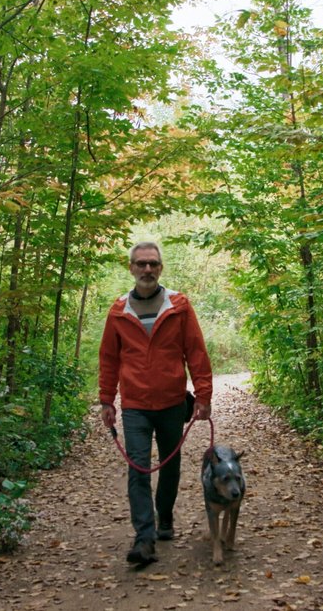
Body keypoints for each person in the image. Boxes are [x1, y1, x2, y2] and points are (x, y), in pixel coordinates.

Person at [98, 241, 213, 565]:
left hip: (173, 401)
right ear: (131, 268)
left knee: (170, 465)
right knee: (138, 467)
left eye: (152, 264)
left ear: (160, 268)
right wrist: (107, 399)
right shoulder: (118, 311)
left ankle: (165, 516)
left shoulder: (179, 305)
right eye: (140, 264)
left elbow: (196, 352)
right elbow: (108, 358)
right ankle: (144, 537)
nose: (146, 269)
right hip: (134, 404)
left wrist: (203, 396)